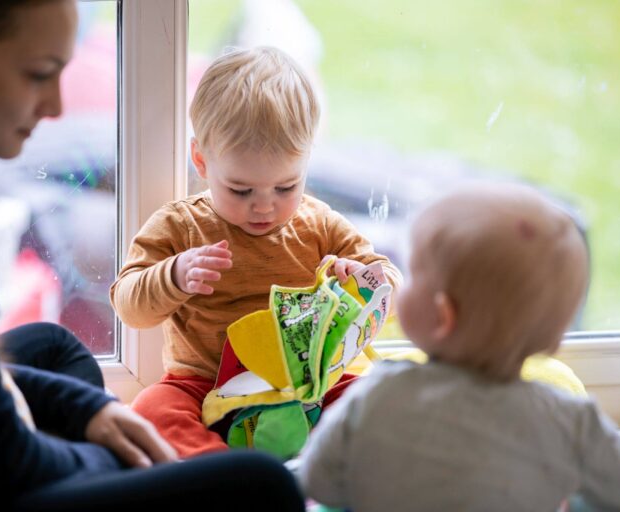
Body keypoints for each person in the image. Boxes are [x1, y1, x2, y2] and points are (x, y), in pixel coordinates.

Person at [0, 1, 306, 510]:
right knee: (264, 483)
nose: (57, 105)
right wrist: (129, 464)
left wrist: (87, 411)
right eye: (39, 74)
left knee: (54, 348)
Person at [110, 46, 403, 458]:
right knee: (151, 412)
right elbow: (129, 306)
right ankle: (226, 472)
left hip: (307, 384)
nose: (264, 205)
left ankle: (316, 466)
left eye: (286, 187)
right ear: (202, 161)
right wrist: (173, 276)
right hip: (202, 385)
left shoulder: (318, 223)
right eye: (241, 190)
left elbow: (390, 285)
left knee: (377, 399)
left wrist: (363, 279)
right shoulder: (179, 225)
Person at [298, 184, 620, 511]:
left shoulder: (379, 393)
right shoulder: (570, 422)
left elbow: (318, 482)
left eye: (415, 274)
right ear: (554, 339)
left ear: (442, 315)